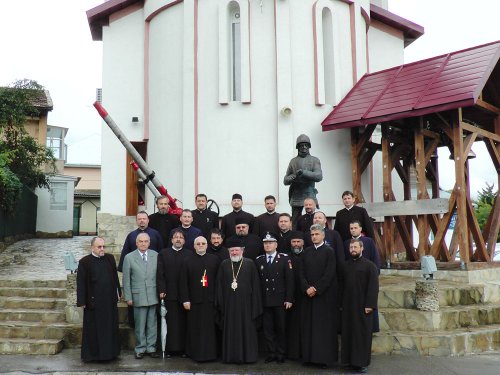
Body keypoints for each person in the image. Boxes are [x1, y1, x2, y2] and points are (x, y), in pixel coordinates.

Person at [215, 237, 263, 364]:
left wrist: (255, 306)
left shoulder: (250, 264)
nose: (234, 253)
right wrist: (220, 304)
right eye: (232, 251)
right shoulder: (224, 264)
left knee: (247, 331)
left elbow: (256, 287)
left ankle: (248, 357)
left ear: (242, 250)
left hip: (247, 307)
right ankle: (230, 357)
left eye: (236, 250)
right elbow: (219, 286)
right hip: (229, 306)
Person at [300, 224, 339, 368]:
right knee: (308, 327)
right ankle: (309, 357)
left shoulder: (329, 252)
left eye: (317, 234)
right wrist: (306, 288)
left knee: (323, 329)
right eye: (312, 235)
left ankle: (323, 359)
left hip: (323, 297)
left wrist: (316, 288)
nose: (314, 237)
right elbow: (301, 273)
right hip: (308, 296)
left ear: (323, 236)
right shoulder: (306, 252)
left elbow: (329, 274)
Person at [77, 236, 121, 362]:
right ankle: (93, 355)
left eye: (103, 246)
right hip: (93, 303)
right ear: (92, 248)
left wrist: (118, 291)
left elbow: (114, 277)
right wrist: (82, 301)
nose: (102, 249)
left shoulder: (109, 258)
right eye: (99, 247)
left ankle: (111, 354)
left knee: (110, 328)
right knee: (94, 330)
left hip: (109, 301)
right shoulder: (84, 262)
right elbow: (81, 282)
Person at [255, 232, 294, 364]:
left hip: (280, 300)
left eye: (270, 242)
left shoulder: (284, 259)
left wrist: (289, 298)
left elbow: (289, 280)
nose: (268, 245)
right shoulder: (259, 260)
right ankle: (271, 353)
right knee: (268, 329)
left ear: (276, 244)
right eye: (265, 243)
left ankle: (281, 353)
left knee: (281, 328)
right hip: (265, 301)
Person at [341, 239, 379, 373]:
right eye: (351, 247)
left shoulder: (370, 266)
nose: (353, 249)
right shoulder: (345, 266)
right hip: (347, 306)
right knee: (348, 333)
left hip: (363, 306)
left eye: (355, 247)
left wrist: (369, 305)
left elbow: (373, 287)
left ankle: (361, 363)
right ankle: (349, 361)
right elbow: (341, 286)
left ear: (361, 248)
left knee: (361, 335)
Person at [179, 236, 219, 362]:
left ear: (207, 245)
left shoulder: (215, 260)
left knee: (210, 329)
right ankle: (194, 353)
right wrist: (185, 299)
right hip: (194, 302)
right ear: (194, 246)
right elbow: (183, 282)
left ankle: (211, 354)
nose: (201, 245)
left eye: (203, 243)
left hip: (210, 301)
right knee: (194, 328)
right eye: (198, 244)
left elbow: (219, 281)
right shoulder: (187, 261)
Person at [122, 233, 160, 359]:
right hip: (138, 296)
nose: (143, 244)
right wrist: (128, 297)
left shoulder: (155, 255)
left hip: (153, 294)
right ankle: (140, 348)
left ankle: (151, 347)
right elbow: (126, 279)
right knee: (140, 324)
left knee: (152, 324)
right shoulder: (129, 257)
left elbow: (159, 275)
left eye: (146, 241)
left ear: (149, 242)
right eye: (141, 241)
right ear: (136, 243)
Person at [156, 229, 193, 356]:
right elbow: (160, 274)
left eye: (181, 237)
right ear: (171, 239)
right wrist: (161, 289)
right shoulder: (163, 253)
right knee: (170, 323)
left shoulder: (189, 254)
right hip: (169, 293)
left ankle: (184, 349)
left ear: (184, 240)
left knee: (184, 323)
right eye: (176, 237)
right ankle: (170, 349)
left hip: (185, 295)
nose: (178, 239)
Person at [283, 134, 323, 229]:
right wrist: (291, 177)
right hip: (296, 193)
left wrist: (304, 172)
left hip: (309, 193)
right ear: (298, 147)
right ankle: (296, 238)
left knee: (312, 219)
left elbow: (319, 176)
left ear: (309, 146)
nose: (304, 147)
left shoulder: (314, 160)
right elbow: (285, 180)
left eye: (306, 145)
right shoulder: (293, 161)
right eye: (301, 145)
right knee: (295, 221)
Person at [286, 231, 306, 360]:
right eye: (294, 242)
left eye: (298, 242)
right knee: (292, 326)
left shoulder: (308, 255)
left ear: (303, 243)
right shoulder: (286, 257)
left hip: (305, 295)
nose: (296, 244)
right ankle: (293, 353)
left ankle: (304, 352)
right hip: (291, 296)